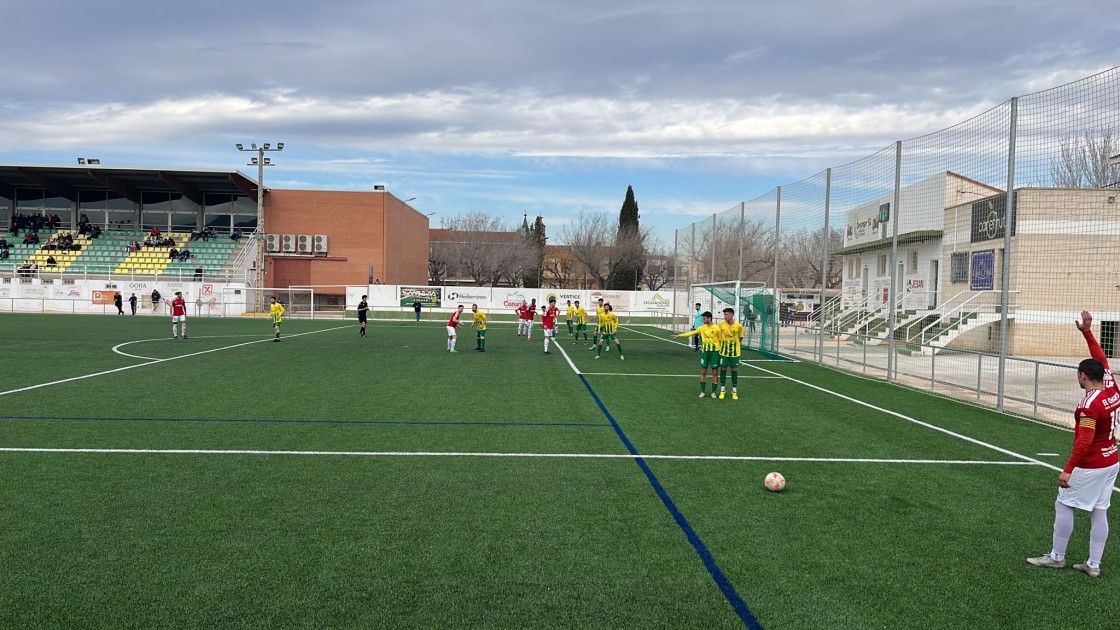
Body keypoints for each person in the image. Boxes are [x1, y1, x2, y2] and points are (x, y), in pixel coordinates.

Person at [1027, 311, 1120, 578]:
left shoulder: (1089, 405)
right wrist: (1087, 333)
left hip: (1091, 464)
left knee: (1064, 504)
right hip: (1112, 460)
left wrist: (1068, 469)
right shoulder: (1111, 388)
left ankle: (1057, 557)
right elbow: (1101, 359)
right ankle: (1093, 564)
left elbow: (1085, 441)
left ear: (1082, 376)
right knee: (1100, 510)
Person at [673, 311, 724, 399]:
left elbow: (721, 341)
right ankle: (703, 391)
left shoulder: (717, 328)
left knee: (715, 372)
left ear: (709, 318)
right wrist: (679, 336)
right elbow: (691, 333)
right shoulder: (702, 328)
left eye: (704, 318)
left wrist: (721, 353)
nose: (703, 320)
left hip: (715, 352)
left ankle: (713, 392)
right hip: (705, 352)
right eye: (703, 318)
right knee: (703, 371)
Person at [717, 307, 745, 400]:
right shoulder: (721, 325)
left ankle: (734, 391)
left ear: (732, 315)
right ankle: (722, 390)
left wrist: (735, 344)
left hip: (735, 352)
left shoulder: (739, 326)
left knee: (734, 369)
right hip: (724, 351)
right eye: (724, 314)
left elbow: (740, 337)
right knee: (723, 368)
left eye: (726, 314)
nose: (725, 316)